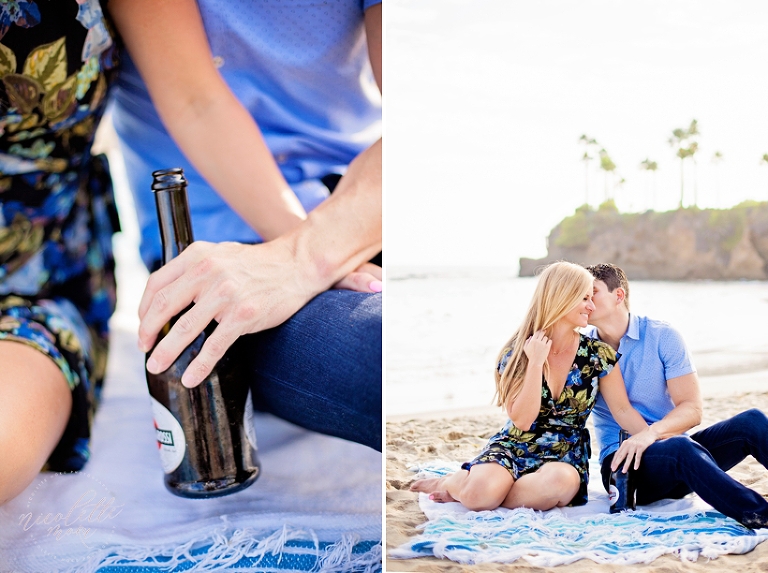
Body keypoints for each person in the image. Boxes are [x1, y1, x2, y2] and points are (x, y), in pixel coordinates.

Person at [110, 0, 382, 450]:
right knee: (373, 349)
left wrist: (307, 256)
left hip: (358, 211)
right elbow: (196, 101)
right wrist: (301, 256)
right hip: (215, 243)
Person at [410, 262, 652, 511]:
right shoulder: (517, 352)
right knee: (479, 496)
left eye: (592, 298)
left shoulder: (598, 354)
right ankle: (454, 482)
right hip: (515, 445)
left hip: (564, 455)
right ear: (562, 298)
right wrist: (536, 363)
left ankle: (483, 489)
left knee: (558, 483)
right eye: (584, 298)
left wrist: (653, 437)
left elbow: (622, 411)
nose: (591, 307)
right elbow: (523, 421)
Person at [585, 262, 768, 529]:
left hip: (680, 455)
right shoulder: (585, 351)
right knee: (680, 447)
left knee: (751, 421)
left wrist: (651, 433)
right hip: (624, 467)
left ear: (618, 295)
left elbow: (692, 409)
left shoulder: (662, 336)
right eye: (582, 295)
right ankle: (759, 513)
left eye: (593, 293)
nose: (586, 301)